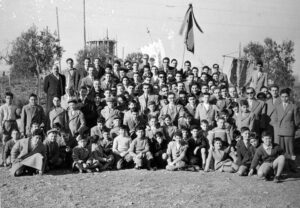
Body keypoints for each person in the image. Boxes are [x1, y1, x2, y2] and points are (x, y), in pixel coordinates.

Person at [274, 88, 300, 172]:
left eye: (286, 96)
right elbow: (276, 119)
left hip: (289, 131)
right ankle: (283, 167)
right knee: (281, 150)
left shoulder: (293, 106)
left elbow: (297, 121)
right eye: (282, 97)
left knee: (290, 150)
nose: (284, 98)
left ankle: (292, 166)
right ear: (280, 97)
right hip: (280, 131)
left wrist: (292, 128)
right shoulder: (277, 107)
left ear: (289, 97)